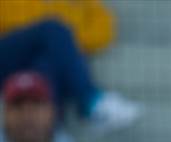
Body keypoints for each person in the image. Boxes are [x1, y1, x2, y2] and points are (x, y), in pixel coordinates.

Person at [0, 1, 141, 132]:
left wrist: (64, 43)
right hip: (7, 55)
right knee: (52, 30)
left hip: (42, 61)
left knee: (47, 62)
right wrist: (61, 42)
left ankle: (49, 135)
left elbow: (103, 32)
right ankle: (90, 100)